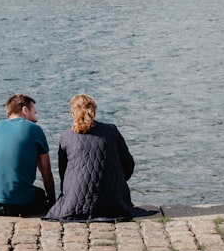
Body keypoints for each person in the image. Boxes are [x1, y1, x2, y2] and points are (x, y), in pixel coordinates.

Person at [44, 94, 156, 222]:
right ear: (94, 112)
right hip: (114, 201)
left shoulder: (66, 136)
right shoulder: (111, 130)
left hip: (74, 203)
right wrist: (115, 180)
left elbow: (64, 172)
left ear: (72, 113)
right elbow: (128, 164)